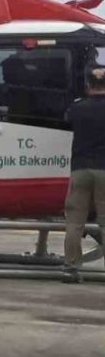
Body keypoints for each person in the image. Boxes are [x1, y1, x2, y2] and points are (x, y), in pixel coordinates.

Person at [62, 66, 105, 283]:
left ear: (88, 85)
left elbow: (66, 120)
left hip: (80, 170)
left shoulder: (77, 108)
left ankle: (70, 268)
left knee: (75, 222)